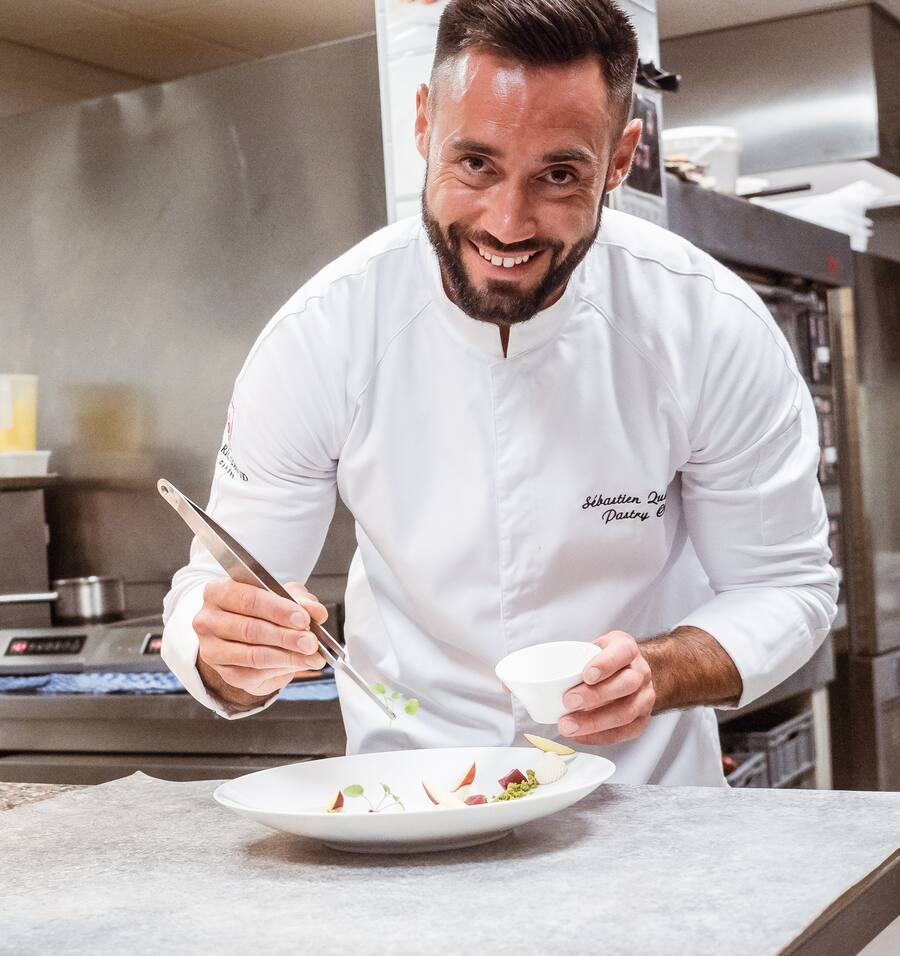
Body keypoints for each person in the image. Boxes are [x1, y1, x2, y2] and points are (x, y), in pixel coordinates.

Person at [162, 0, 837, 785]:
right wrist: (228, 651)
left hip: (647, 807)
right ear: (424, 124)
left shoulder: (707, 326)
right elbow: (221, 587)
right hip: (412, 797)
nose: (508, 224)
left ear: (620, 159)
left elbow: (784, 587)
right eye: (475, 163)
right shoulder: (323, 334)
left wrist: (658, 671)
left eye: (559, 174)